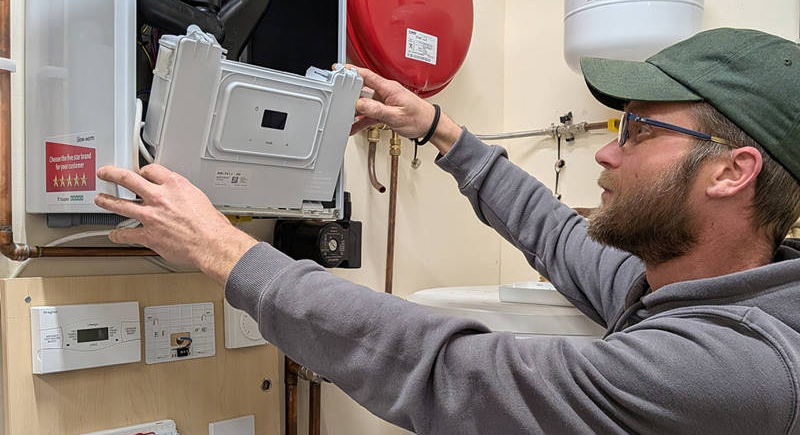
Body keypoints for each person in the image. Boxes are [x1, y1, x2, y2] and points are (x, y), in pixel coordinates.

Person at [95, 27, 800, 434]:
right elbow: (554, 235)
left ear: (731, 173)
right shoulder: (690, 284)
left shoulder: (734, 370)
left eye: (639, 129)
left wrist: (223, 249)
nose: (608, 151)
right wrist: (437, 129)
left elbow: (445, 370)